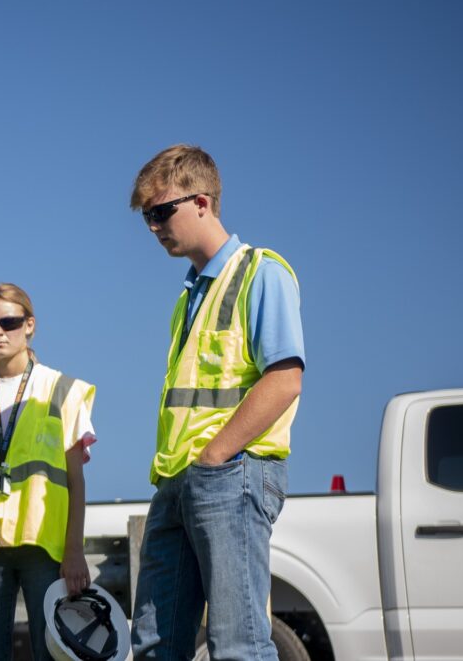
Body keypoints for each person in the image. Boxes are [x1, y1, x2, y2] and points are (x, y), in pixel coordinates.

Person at [127, 144, 305, 660]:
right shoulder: (189, 296)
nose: (153, 226)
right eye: (146, 216)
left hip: (228, 474)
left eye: (161, 212)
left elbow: (285, 379)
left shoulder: (261, 271)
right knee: (156, 646)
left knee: (238, 646)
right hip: (178, 482)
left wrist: (214, 456)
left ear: (201, 202)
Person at [0, 283, 98, 661]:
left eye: (8, 322)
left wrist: (74, 551)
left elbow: (76, 481)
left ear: (29, 326)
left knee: (53, 653)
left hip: (44, 546)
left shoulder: (61, 390)